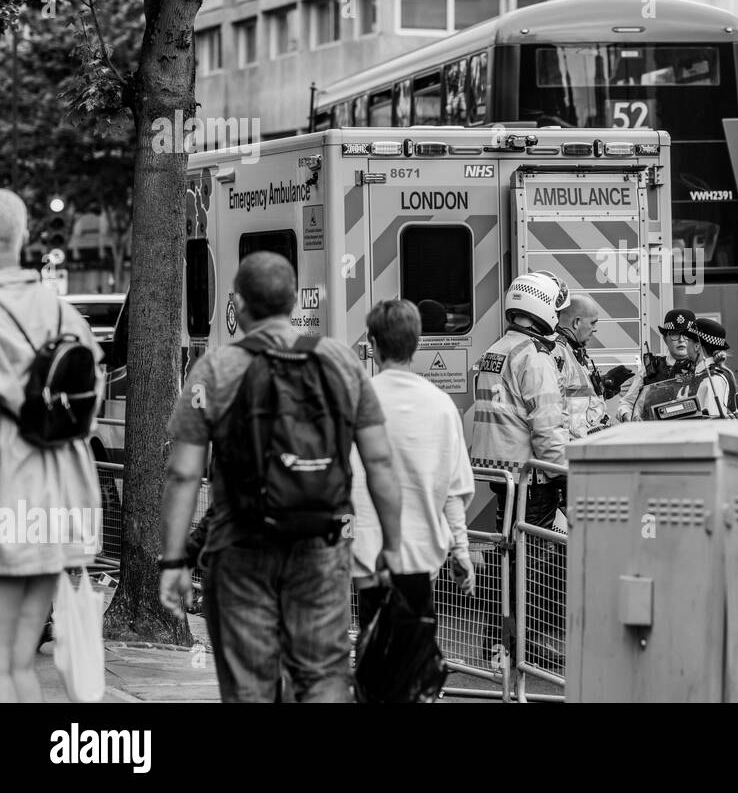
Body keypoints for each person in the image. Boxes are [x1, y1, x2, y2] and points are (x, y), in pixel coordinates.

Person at [159, 252, 404, 703]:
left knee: (250, 685)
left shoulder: (214, 369)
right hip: (322, 545)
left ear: (240, 305)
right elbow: (380, 463)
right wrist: (392, 545)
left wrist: (174, 561)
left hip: (239, 546)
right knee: (323, 676)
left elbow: (184, 473)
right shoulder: (341, 362)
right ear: (293, 301)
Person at [0, 190, 104, 703]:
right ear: (21, 238)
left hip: (5, 491)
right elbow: (90, 399)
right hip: (51, 505)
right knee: (17, 663)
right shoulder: (63, 314)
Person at [350, 300, 474, 632]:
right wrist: (461, 550)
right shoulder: (442, 406)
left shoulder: (357, 401)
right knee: (416, 650)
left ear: (373, 346)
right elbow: (453, 491)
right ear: (417, 343)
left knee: (374, 645)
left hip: (366, 552)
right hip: (421, 557)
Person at [468, 272, 569, 533]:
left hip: (502, 473)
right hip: (532, 477)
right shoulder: (534, 355)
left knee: (509, 547)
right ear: (545, 306)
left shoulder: (496, 350)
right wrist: (564, 474)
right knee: (533, 558)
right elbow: (546, 427)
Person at [617, 308, 697, 422]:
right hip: (652, 434)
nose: (681, 340)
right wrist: (628, 418)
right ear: (665, 339)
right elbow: (626, 403)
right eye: (674, 334)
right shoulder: (650, 368)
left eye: (686, 335)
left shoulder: (701, 368)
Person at [553, 294, 609, 440]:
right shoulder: (558, 354)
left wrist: (602, 387)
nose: (595, 329)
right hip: (570, 451)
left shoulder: (572, 350)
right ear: (577, 322)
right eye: (592, 323)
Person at [682, 317, 738, 418]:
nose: (686, 344)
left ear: (697, 346)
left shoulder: (712, 380)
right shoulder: (704, 374)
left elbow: (712, 419)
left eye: (688, 340)